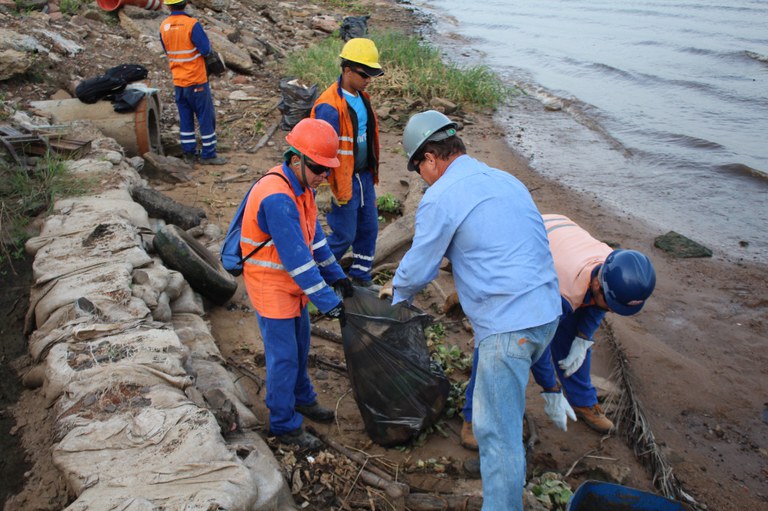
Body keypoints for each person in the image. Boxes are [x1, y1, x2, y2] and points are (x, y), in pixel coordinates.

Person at [381, 110, 562, 511]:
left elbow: (420, 266)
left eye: (418, 168)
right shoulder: (505, 180)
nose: (421, 178)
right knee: (497, 414)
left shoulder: (442, 196)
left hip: (509, 328)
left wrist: (396, 294)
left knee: (498, 438)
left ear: (430, 158)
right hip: (548, 312)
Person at [459, 214, 657, 450]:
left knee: (573, 337)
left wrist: (583, 337)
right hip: (515, 250)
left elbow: (599, 306)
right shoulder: (564, 290)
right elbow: (537, 346)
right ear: (597, 284)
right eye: (612, 305)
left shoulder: (614, 267)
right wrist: (550, 389)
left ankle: (582, 400)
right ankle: (475, 417)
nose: (612, 311)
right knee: (500, 341)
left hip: (558, 239)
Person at [240, 118, 355, 450]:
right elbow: (298, 261)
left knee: (301, 345)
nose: (324, 175)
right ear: (295, 160)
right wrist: (329, 302)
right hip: (271, 285)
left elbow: (315, 241)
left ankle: (303, 398)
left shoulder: (303, 189)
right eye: (318, 168)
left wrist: (337, 277)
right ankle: (283, 423)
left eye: (327, 169)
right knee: (284, 356)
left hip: (291, 285)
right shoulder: (277, 197)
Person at [310, 38, 383, 287]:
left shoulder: (363, 98)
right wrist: (323, 186)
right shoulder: (329, 106)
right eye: (364, 74)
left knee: (369, 227)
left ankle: (361, 275)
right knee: (344, 234)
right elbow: (319, 149)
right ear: (347, 70)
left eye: (372, 74)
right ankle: (316, 275)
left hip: (363, 176)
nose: (368, 79)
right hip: (342, 179)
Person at [159, 0, 227, 166]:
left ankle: (188, 153)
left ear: (168, 6)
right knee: (205, 117)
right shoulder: (191, 24)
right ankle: (208, 154)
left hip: (178, 80)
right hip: (196, 80)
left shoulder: (164, 26)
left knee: (185, 117)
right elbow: (205, 50)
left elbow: (167, 50)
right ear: (185, 4)